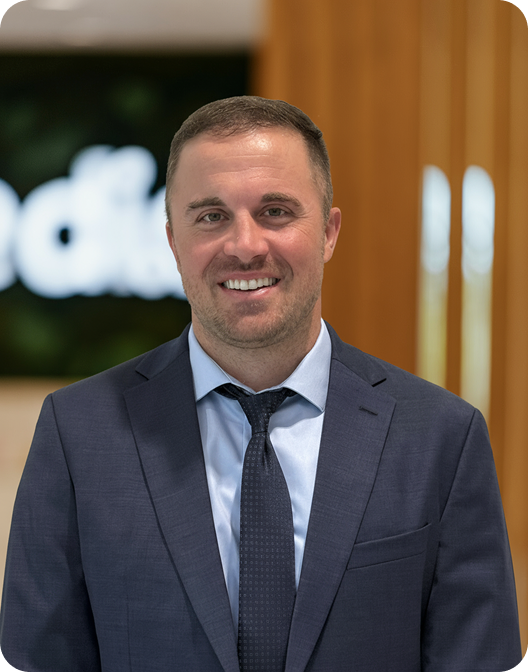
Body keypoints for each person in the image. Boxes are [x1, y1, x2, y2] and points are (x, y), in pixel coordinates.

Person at [0, 96, 522, 672]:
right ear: (173, 242)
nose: (244, 245)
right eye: (211, 216)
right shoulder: (78, 434)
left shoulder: (442, 438)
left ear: (328, 232)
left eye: (275, 211)